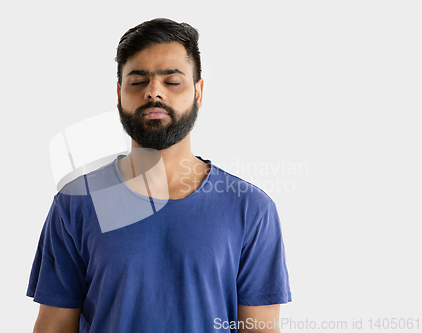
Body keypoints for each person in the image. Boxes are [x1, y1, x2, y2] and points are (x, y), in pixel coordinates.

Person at [27, 18, 291, 333]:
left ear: (198, 92)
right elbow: (55, 324)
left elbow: (259, 328)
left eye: (172, 81)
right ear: (119, 94)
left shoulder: (250, 208)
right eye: (138, 82)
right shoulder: (76, 203)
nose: (154, 92)